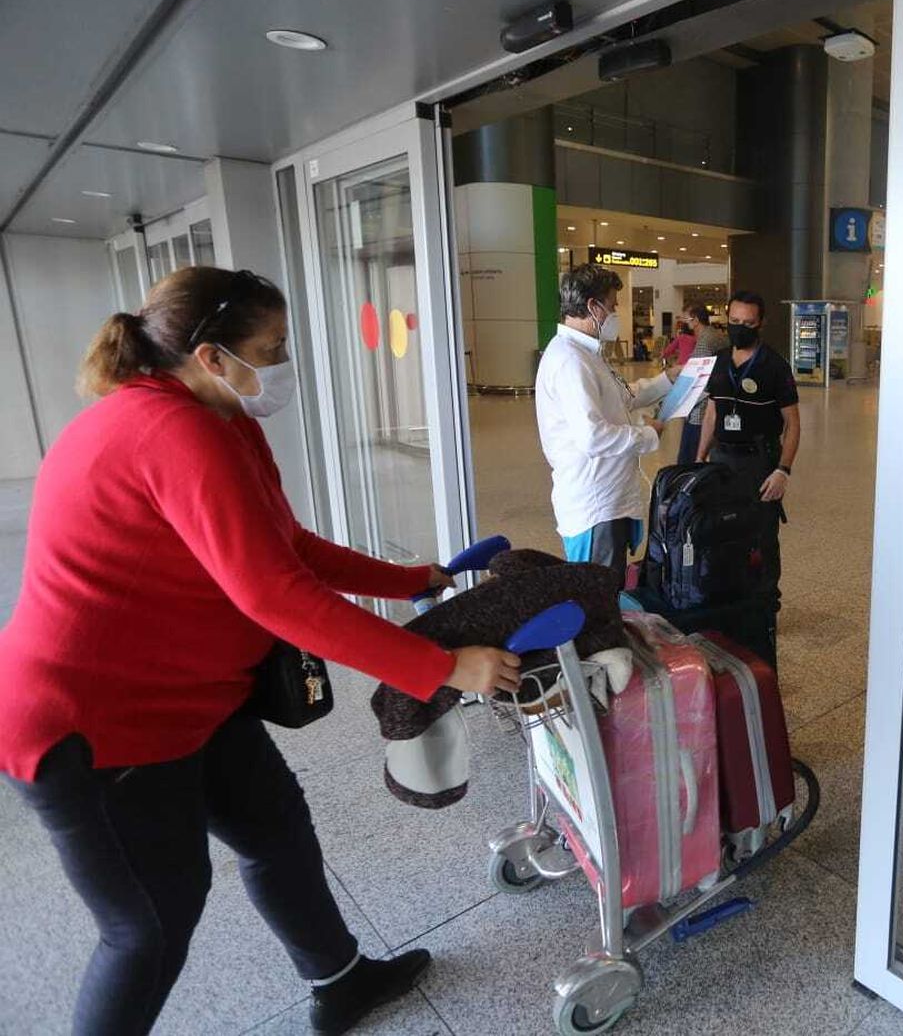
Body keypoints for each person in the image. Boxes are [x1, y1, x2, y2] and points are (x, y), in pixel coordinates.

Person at [0, 266, 523, 1036]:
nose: (281, 362)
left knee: (276, 829)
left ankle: (339, 979)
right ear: (211, 355)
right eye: (270, 346)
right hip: (97, 728)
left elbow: (286, 546)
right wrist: (441, 667)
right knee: (147, 925)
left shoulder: (221, 418)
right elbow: (273, 594)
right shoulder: (168, 430)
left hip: (194, 701)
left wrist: (412, 577)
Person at [536, 263, 675, 585]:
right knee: (596, 596)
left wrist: (666, 380)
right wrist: (647, 434)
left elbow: (622, 398)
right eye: (612, 306)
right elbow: (592, 437)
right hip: (595, 504)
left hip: (610, 497)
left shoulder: (587, 355)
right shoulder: (571, 361)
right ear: (592, 306)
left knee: (607, 590)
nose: (615, 313)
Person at [696, 290, 800, 603]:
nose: (740, 327)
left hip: (760, 462)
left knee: (763, 537)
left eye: (748, 322)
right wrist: (699, 457)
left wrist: (783, 470)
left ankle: (766, 603)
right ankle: (730, 597)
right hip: (722, 460)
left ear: (761, 323)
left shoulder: (774, 366)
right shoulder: (720, 361)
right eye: (734, 321)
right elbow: (713, 412)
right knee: (723, 531)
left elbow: (793, 424)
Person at [676, 303, 729, 466]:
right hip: (717, 403)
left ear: (696, 320)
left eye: (686, 318)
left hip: (701, 409)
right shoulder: (716, 335)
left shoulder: (705, 340)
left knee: (688, 457)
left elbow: (697, 377)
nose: (685, 322)